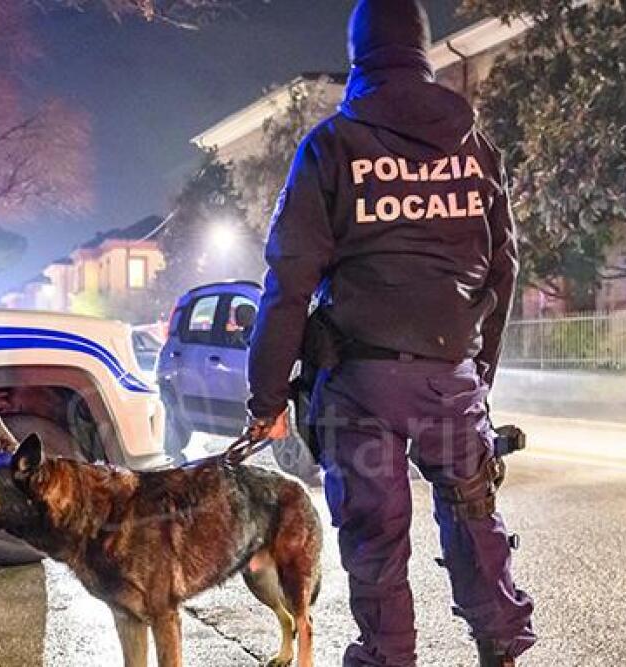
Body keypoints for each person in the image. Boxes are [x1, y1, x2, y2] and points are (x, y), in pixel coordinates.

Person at [243, 1, 536, 665]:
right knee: (472, 516)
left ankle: (388, 655)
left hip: (360, 383)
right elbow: (504, 265)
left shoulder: (331, 147)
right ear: (424, 53)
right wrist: (478, 369)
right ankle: (502, 650)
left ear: (358, 57)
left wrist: (266, 399)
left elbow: (288, 280)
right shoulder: (476, 148)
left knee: (375, 536)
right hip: (450, 377)